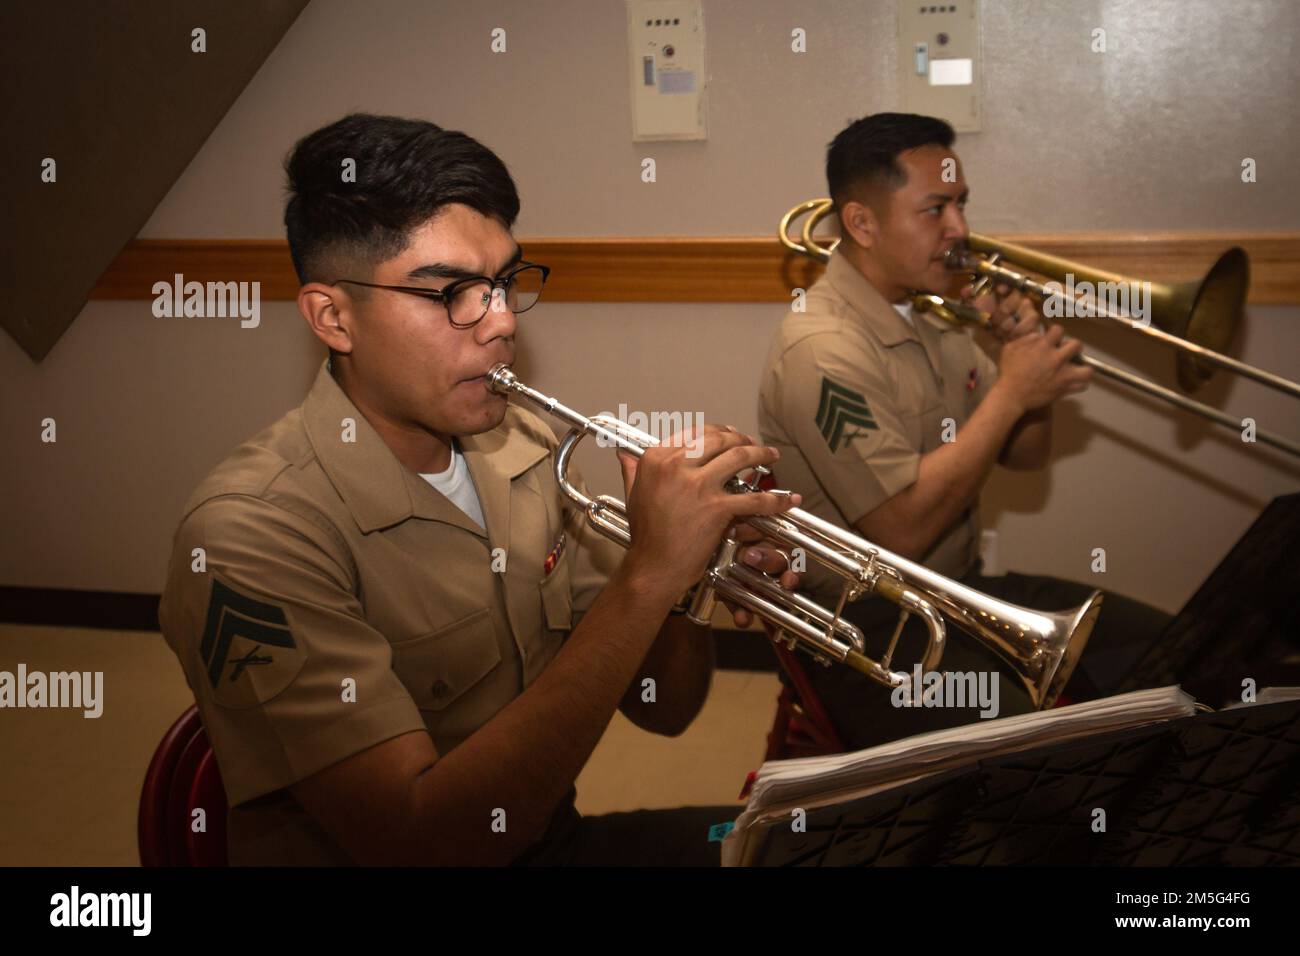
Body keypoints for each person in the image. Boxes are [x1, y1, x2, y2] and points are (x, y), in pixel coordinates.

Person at [158, 113, 800, 865]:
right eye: (452, 292)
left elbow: (667, 711)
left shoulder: (523, 443)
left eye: (503, 283)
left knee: (817, 844)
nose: (500, 324)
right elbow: (424, 839)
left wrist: (687, 573)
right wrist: (650, 572)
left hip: (544, 843)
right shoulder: (249, 535)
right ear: (333, 317)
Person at [758, 113, 1171, 750]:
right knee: (1036, 754)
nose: (961, 229)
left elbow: (1026, 456)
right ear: (862, 224)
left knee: (1169, 652)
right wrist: (1012, 392)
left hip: (959, 592)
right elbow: (901, 527)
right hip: (864, 624)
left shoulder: (936, 316)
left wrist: (1023, 356)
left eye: (961, 205)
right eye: (935, 209)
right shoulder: (821, 349)